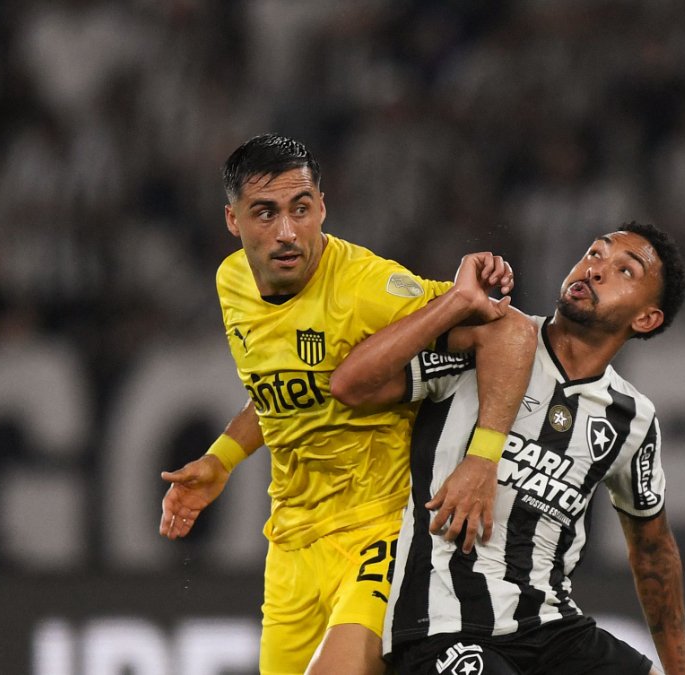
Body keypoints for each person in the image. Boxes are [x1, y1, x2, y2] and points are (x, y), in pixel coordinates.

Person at [156, 133, 536, 675]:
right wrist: (222, 459)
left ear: (322, 208)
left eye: (300, 209)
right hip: (291, 545)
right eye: (265, 213)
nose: (287, 232)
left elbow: (512, 331)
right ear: (232, 220)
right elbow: (283, 391)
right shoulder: (232, 280)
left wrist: (482, 460)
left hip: (381, 531)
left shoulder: (370, 288)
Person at [327, 222, 685, 675]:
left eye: (625, 270)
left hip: (553, 629)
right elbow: (352, 385)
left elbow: (654, 551)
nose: (595, 269)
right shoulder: (493, 338)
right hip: (446, 624)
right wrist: (454, 304)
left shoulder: (632, 419)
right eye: (595, 252)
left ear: (646, 319)